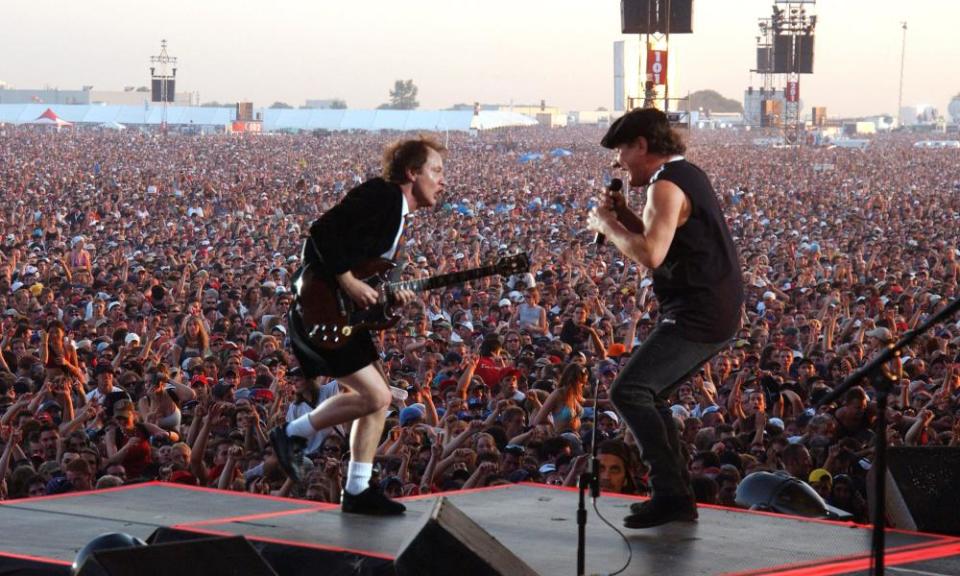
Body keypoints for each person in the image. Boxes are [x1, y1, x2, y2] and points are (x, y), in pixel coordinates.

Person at [271, 135, 446, 516]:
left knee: (378, 401)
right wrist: (348, 280)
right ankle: (292, 434)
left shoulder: (398, 216)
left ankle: (357, 489)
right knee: (378, 397)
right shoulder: (383, 195)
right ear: (411, 172)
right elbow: (321, 231)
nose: (441, 180)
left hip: (341, 316)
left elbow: (367, 277)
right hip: (322, 309)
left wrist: (387, 296)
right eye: (435, 170)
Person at [587, 108, 744, 529]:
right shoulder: (683, 175)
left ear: (641, 145)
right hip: (711, 307)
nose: (619, 161)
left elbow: (651, 255)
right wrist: (625, 219)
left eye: (622, 149)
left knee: (630, 391)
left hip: (699, 311)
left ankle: (671, 493)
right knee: (647, 395)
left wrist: (608, 224)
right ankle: (675, 495)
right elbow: (669, 244)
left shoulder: (667, 186)